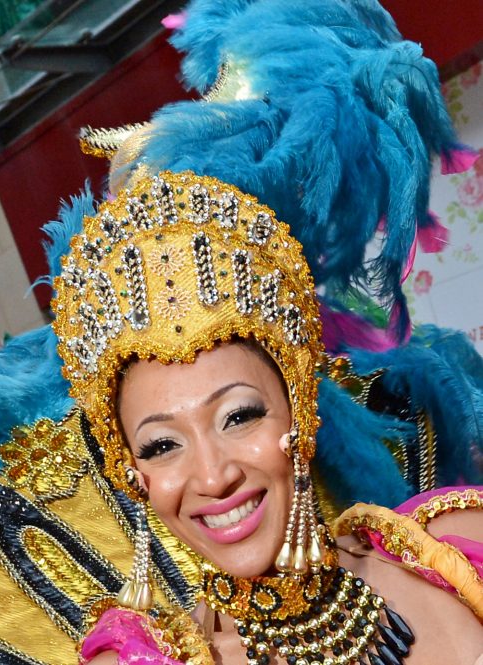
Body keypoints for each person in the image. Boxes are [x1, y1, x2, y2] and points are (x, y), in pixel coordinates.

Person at [46, 169, 481, 665]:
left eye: (239, 416)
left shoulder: (452, 546)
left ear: (298, 411)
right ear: (132, 476)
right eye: (162, 446)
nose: (214, 476)